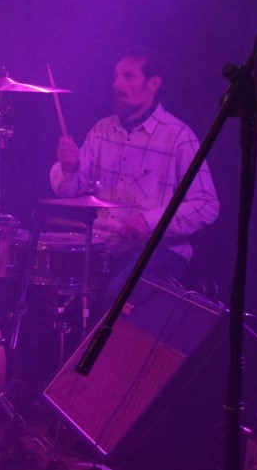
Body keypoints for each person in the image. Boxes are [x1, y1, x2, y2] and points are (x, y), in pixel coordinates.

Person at [50, 50, 220, 305]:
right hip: (105, 246)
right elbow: (70, 190)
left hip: (158, 250)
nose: (117, 84)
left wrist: (148, 221)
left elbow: (206, 205)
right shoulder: (102, 130)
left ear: (154, 84)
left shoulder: (178, 138)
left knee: (115, 296)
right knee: (56, 286)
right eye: (116, 76)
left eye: (128, 76)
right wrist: (69, 168)